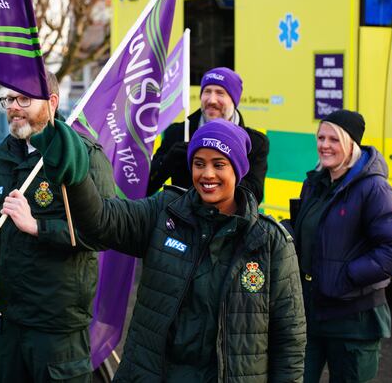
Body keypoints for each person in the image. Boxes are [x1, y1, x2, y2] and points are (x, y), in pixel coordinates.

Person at [27, 118, 306, 382]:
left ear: (238, 169)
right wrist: (76, 179)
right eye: (199, 163)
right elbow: (103, 220)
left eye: (219, 164)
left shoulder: (270, 242)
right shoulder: (164, 212)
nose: (207, 174)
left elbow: (289, 341)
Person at [0, 72, 115, 383]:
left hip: (57, 325)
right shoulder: (4, 155)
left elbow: (102, 231)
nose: (13, 107)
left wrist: (37, 226)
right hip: (10, 318)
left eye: (24, 99)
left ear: (52, 103)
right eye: (9, 99)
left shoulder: (84, 155)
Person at [292, 110, 392, 383]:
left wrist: (347, 276)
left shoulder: (374, 188)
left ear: (350, 143)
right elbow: (310, 229)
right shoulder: (314, 183)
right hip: (311, 315)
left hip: (354, 322)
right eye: (321, 137)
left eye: (333, 139)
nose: (324, 145)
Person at [147, 67, 269, 202]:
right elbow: (147, 187)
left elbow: (255, 195)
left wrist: (225, 172)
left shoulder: (255, 142)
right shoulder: (178, 133)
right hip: (181, 219)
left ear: (234, 100)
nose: (211, 100)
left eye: (220, 93)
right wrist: (167, 162)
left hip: (229, 221)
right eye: (207, 91)